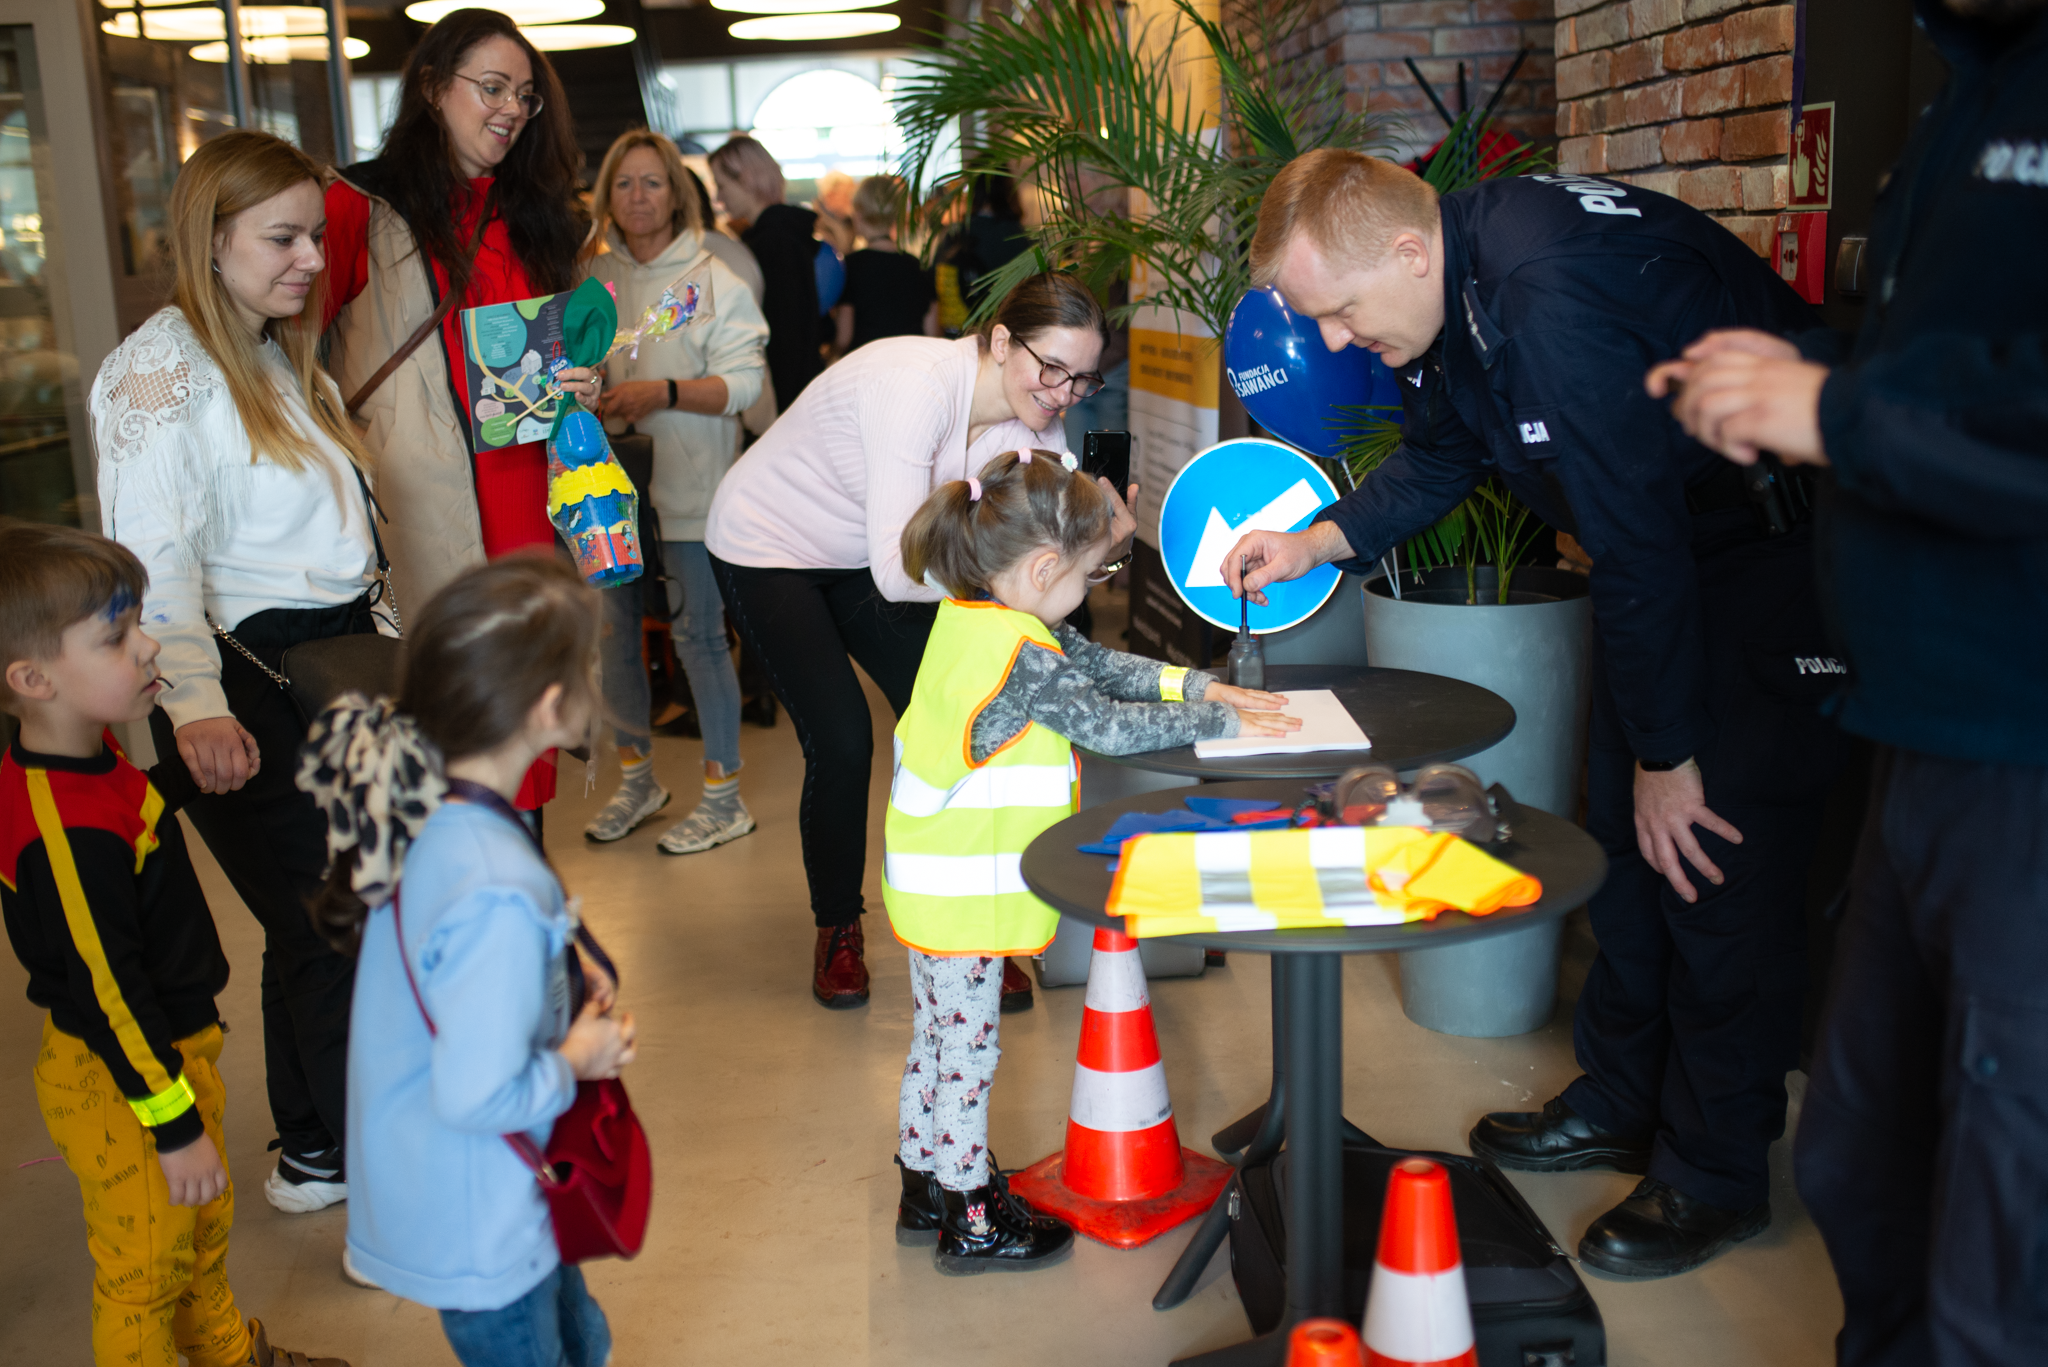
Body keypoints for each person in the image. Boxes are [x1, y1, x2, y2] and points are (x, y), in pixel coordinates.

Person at [1222, 150, 1847, 1278]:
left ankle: (1711, 1168)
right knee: (1621, 827)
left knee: (1708, 856)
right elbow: (1441, 455)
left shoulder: (1545, 297)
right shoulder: (1453, 289)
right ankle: (1620, 1096)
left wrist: (1672, 751)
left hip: (1761, 557)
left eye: (1339, 313)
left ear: (1406, 253)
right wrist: (1314, 540)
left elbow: (1638, 544)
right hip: (1668, 563)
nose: (1329, 344)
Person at [1651, 1, 2048, 1356]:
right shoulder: (1974, 84)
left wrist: (1834, 412)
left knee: (2005, 1225)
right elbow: (1958, 367)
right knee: (1864, 1156)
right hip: (1918, 734)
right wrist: (1811, 373)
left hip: (2026, 750)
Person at [884, 451, 1294, 1271]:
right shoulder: (1023, 653)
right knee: (968, 1052)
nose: (1092, 588)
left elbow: (1100, 668)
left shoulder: (977, 619)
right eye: (1087, 574)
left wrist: (1196, 689)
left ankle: (925, 1180)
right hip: (962, 894)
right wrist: (1224, 727)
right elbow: (1104, 724)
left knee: (936, 1039)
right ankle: (970, 1211)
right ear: (1042, 566)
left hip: (926, 884)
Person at [91, 130, 390, 1220]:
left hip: (328, 664)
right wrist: (198, 706)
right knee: (330, 922)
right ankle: (378, 1175)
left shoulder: (272, 353)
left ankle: (315, 1146)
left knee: (315, 919)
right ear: (210, 240)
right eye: (283, 237)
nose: (310, 257)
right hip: (241, 677)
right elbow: (153, 562)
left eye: (314, 234)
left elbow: (335, 533)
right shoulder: (159, 373)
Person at [705, 272, 1128, 1010]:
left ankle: (975, 931)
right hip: (773, 544)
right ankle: (838, 925)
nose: (1062, 392)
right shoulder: (917, 387)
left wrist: (1107, 554)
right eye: (1050, 366)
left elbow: (1046, 577)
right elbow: (905, 578)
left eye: (1082, 378)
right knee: (840, 739)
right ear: (1000, 341)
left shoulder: (1036, 430)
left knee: (974, 716)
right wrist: (1029, 577)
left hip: (882, 557)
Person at [0, 523, 348, 1367]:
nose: (149, 642)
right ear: (34, 678)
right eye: (117, 636)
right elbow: (105, 991)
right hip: (128, 1076)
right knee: (144, 1274)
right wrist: (173, 1120)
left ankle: (228, 1353)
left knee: (194, 1236)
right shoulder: (63, 838)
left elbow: (125, 824)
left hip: (168, 1057)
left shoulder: (80, 751)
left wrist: (183, 779)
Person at [300, 555, 636, 1367]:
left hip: (461, 1190)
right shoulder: (496, 886)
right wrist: (577, 1056)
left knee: (582, 1337)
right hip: (485, 1212)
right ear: (551, 705)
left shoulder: (432, 816)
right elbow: (481, 1090)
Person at [323, 7, 601, 815]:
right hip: (420, 519)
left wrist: (579, 387)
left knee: (522, 740)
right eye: (491, 87)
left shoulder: (540, 219)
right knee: (438, 745)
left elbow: (551, 364)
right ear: (432, 87)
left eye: (524, 94)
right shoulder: (357, 209)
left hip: (526, 510)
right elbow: (300, 368)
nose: (511, 108)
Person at [579, 129, 768, 852]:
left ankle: (725, 797)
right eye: (623, 184)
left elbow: (745, 386)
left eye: (652, 182)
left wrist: (660, 391)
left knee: (698, 641)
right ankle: (638, 781)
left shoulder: (716, 280)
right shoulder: (589, 279)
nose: (637, 197)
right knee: (614, 640)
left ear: (677, 193)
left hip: (693, 495)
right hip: (602, 496)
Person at [708, 136, 821, 415]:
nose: (719, 198)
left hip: (786, 397)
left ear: (747, 179)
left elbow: (784, 334)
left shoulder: (773, 242)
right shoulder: (784, 234)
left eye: (722, 185)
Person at [833, 174, 939, 354]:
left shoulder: (850, 267)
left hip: (866, 368)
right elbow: (933, 333)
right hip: (910, 366)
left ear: (858, 215)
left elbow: (844, 337)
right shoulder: (918, 266)